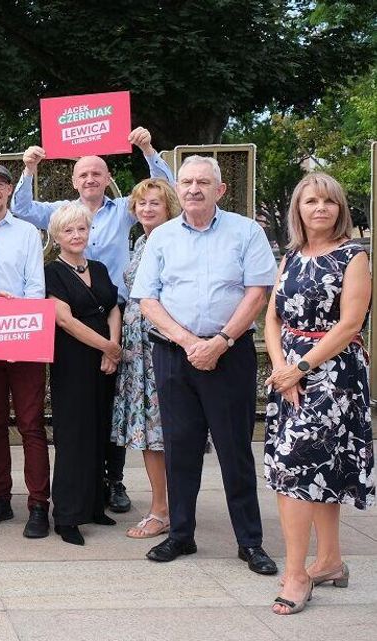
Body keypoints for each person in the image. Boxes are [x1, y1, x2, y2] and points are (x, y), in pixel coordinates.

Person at [13, 127, 173, 513]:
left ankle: (113, 481)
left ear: (107, 179)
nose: (90, 179)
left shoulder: (123, 210)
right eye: (83, 174)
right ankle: (84, 487)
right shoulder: (61, 211)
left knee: (113, 408)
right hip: (78, 326)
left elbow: (167, 193)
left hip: (117, 317)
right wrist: (29, 170)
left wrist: (149, 149)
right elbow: (21, 208)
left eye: (97, 173)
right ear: (74, 180)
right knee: (80, 411)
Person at [133, 155, 278, 575]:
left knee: (235, 449)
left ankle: (250, 542)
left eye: (202, 182)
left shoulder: (245, 231)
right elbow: (148, 299)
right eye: (186, 181)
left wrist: (220, 341)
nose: (193, 189)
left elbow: (257, 292)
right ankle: (181, 534)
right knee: (179, 448)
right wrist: (190, 342)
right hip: (174, 356)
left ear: (220, 190)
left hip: (229, 355)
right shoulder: (161, 238)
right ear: (177, 188)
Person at [263, 173, 373, 615]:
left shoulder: (353, 257)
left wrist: (302, 368)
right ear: (299, 209)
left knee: (294, 467)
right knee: (316, 466)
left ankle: (296, 575)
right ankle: (329, 561)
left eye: (329, 201)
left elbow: (350, 325)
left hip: (333, 374)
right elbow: (271, 317)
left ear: (340, 208)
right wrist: (279, 367)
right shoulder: (290, 257)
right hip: (289, 371)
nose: (321, 208)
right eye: (311, 201)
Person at [0, 163, 51, 539]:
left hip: (24, 333)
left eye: (1, 184)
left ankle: (38, 505)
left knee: (32, 425)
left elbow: (36, 286)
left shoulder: (27, 233)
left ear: (8, 191)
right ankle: (0, 498)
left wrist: (15, 313)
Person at [45, 203, 122, 545]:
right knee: (74, 436)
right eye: (69, 230)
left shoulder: (101, 268)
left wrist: (113, 346)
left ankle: (94, 505)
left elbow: (114, 307)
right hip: (73, 359)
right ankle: (66, 516)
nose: (76, 235)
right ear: (56, 236)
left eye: (81, 229)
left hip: (105, 360)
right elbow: (64, 319)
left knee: (99, 432)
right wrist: (106, 347)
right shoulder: (52, 272)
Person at [110, 179, 180, 539]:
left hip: (164, 344)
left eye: (155, 202)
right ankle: (161, 508)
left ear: (169, 206)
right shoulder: (139, 243)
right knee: (150, 434)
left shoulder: (177, 241)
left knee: (170, 430)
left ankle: (172, 507)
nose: (148, 209)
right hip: (136, 350)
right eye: (141, 204)